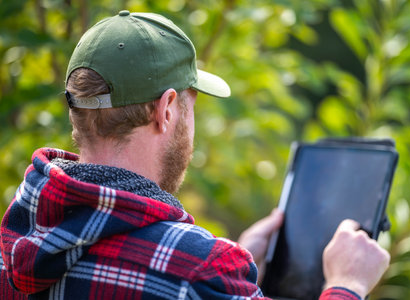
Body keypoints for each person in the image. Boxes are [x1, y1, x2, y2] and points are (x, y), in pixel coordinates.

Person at [0, 11, 389, 299]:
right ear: (166, 110)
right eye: (192, 105)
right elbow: (181, 275)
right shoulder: (197, 271)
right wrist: (347, 285)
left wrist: (238, 269)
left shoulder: (16, 236)